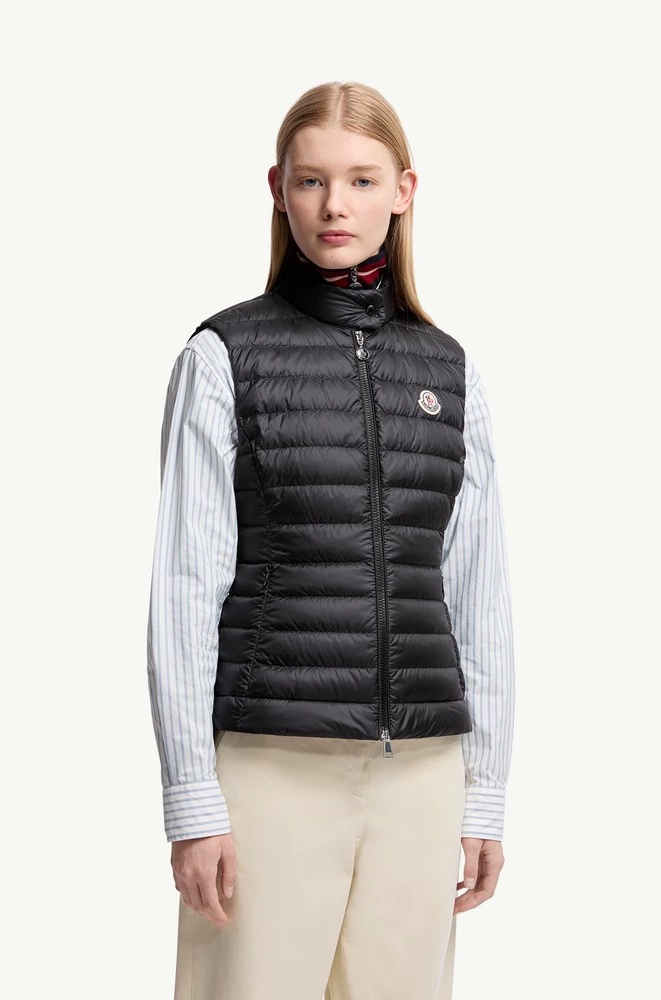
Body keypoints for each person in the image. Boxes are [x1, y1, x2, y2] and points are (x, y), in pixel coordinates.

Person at [147, 80, 515, 1000]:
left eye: (361, 180)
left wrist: (485, 791)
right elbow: (186, 588)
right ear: (279, 190)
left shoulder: (450, 373)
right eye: (312, 181)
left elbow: (479, 596)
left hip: (421, 774)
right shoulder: (224, 358)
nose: (335, 205)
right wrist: (192, 796)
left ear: (404, 191)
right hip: (270, 768)